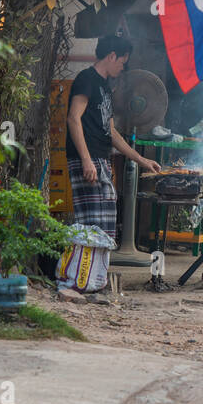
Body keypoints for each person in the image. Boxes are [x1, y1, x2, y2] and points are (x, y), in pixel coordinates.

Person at [65, 34, 161, 251]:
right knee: (92, 226)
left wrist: (142, 160)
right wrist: (87, 160)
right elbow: (73, 118)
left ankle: (97, 276)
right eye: (122, 62)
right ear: (111, 56)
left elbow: (111, 132)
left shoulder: (105, 87)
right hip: (87, 160)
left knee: (106, 224)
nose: (122, 68)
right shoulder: (86, 79)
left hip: (101, 160)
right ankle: (86, 277)